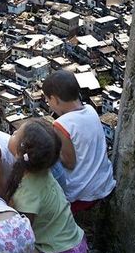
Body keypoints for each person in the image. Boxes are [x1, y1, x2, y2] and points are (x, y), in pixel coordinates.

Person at [7, 119, 92, 253]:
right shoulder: (44, 172)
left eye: (15, 134)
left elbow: (23, 237)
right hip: (76, 246)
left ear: (22, 151)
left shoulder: (26, 192)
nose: (11, 135)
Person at [42, 71, 116, 214]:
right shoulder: (91, 110)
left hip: (82, 194)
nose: (49, 106)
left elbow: (69, 163)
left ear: (55, 99)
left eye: (48, 101)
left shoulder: (61, 124)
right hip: (104, 183)